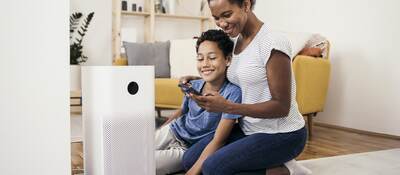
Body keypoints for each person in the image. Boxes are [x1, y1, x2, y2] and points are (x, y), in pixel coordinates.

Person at [180, 0, 311, 175]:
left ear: (246, 5)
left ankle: (288, 170)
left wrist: (227, 106)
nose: (222, 24)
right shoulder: (235, 42)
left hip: (283, 134)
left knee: (213, 168)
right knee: (190, 160)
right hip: (248, 129)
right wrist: (196, 81)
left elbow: (282, 107)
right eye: (216, 17)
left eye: (227, 15)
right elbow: (239, 77)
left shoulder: (272, 42)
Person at [155, 29, 242, 175]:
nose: (205, 64)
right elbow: (182, 112)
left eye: (212, 57)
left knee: (143, 161)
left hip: (186, 148)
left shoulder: (232, 93)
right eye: (200, 59)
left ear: (228, 59)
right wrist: (160, 131)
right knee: (133, 149)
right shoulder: (193, 85)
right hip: (172, 131)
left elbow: (219, 139)